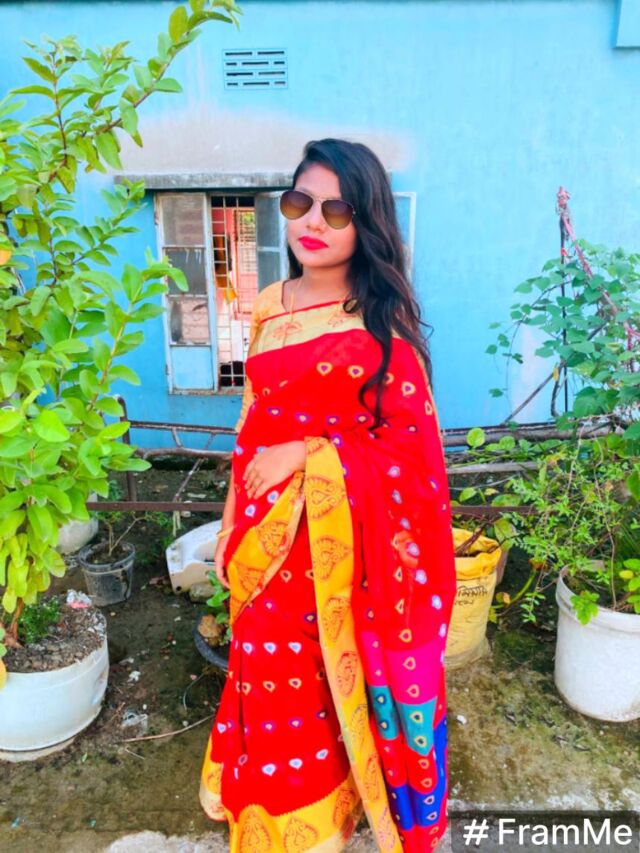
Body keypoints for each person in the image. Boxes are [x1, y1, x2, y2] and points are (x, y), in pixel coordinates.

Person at [199, 138, 456, 853]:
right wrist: (228, 526)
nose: (313, 222)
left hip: (342, 558)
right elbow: (250, 422)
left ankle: (320, 829)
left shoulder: (380, 322)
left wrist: (308, 453)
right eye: (300, 203)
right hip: (262, 544)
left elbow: (413, 457)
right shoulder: (269, 305)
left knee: (319, 696)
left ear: (365, 222)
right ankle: (269, 823)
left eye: (337, 211)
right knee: (267, 689)